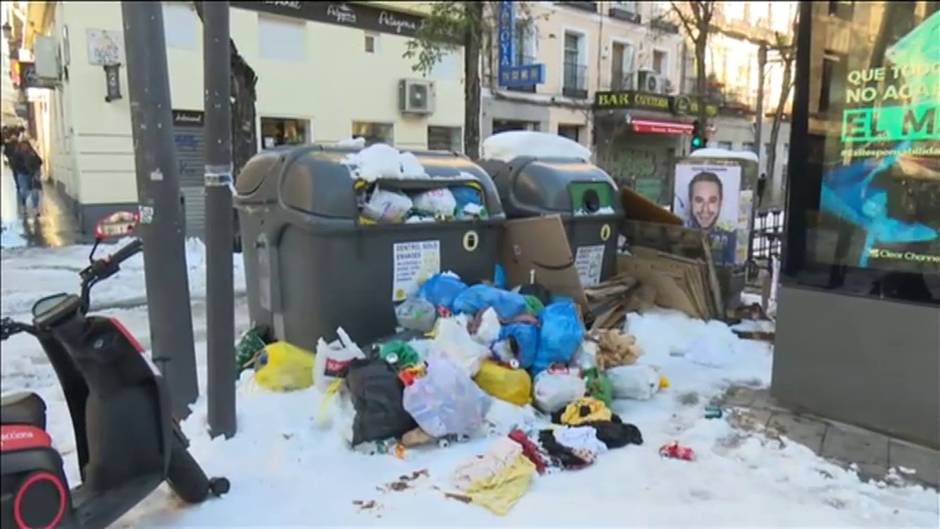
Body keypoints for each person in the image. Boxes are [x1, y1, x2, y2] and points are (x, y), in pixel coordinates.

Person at [686, 171, 736, 264]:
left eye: (712, 201)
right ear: (690, 201)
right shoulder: (677, 236)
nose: (705, 209)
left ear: (720, 203)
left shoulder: (732, 239)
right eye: (699, 200)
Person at [11, 133, 43, 217]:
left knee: (35, 192)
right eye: (23, 146)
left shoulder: (32, 153)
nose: (25, 147)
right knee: (24, 191)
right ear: (20, 146)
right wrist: (21, 169)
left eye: (26, 145)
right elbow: (14, 164)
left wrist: (36, 171)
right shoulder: (17, 154)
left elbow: (40, 161)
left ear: (28, 146)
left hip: (32, 175)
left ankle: (36, 209)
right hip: (22, 175)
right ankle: (24, 205)